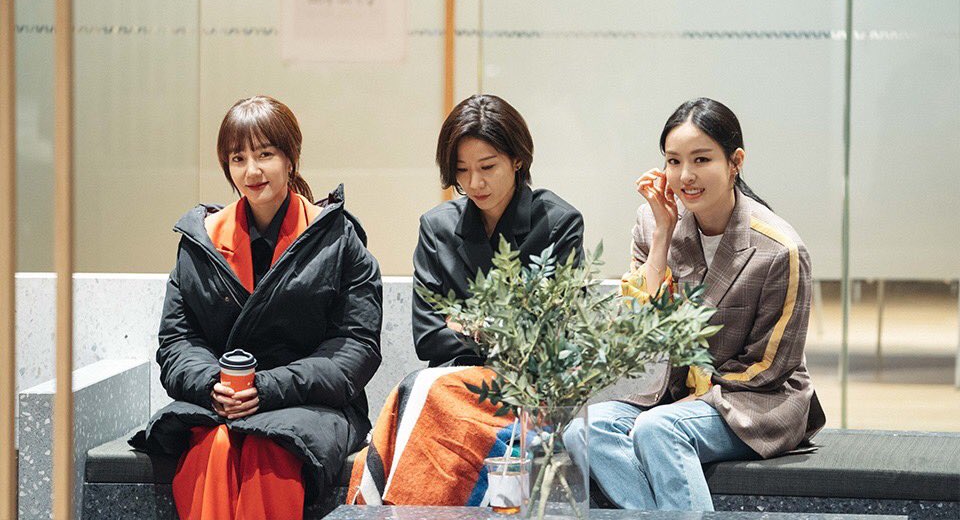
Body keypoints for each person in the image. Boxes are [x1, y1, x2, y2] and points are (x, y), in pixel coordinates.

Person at [565, 97, 825, 511]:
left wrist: (700, 399)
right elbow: (638, 330)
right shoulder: (653, 223)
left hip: (755, 399)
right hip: (669, 396)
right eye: (673, 161)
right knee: (585, 429)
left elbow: (771, 365)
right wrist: (663, 236)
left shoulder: (779, 250)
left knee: (658, 429)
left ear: (735, 162)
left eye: (701, 159)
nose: (685, 176)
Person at [131, 96, 382, 520]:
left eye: (265, 154)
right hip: (219, 403)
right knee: (213, 447)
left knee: (271, 447)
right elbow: (177, 342)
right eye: (238, 158)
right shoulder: (202, 241)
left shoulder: (338, 239)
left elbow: (355, 349)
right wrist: (214, 383)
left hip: (313, 405)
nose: (252, 171)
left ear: (291, 159)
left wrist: (266, 388)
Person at [348, 93, 584, 505]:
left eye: (487, 167)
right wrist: (503, 327)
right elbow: (427, 337)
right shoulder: (437, 226)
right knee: (419, 390)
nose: (475, 183)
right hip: (448, 385)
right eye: (462, 171)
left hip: (525, 391)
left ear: (517, 159)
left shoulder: (557, 223)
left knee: (417, 390)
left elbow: (553, 337)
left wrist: (469, 326)